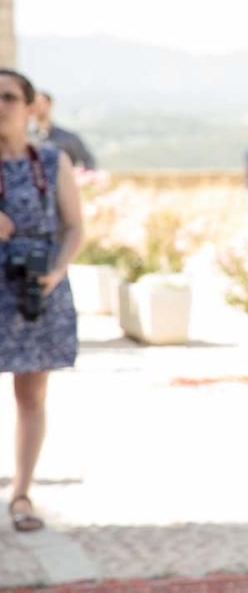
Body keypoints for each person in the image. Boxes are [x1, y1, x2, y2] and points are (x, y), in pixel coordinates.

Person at [0, 70, 84, 532]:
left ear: (30, 108)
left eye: (9, 97)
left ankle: (22, 493)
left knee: (31, 394)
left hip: (37, 286)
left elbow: (75, 226)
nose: (1, 105)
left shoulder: (52, 162)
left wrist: (57, 270)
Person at [29, 91, 96, 170]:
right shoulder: (27, 138)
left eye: (39, 103)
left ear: (50, 105)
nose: (36, 107)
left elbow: (89, 161)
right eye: (33, 104)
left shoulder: (68, 138)